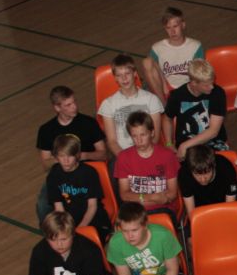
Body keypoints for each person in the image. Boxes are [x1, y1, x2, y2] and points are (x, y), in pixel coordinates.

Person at [35, 85, 106, 222]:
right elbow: (46, 164)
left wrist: (83, 156)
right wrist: (64, 158)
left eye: (74, 102)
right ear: (57, 108)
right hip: (60, 176)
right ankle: (53, 232)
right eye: (68, 105)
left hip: (85, 174)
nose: (74, 107)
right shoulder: (46, 130)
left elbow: (103, 154)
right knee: (42, 205)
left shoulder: (88, 123)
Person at [113, 113, 180, 219]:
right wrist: (152, 197)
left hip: (162, 208)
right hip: (135, 210)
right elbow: (124, 195)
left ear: (152, 133)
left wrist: (142, 199)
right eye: (134, 136)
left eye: (143, 135)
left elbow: (172, 193)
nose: (139, 140)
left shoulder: (167, 155)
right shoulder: (123, 157)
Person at [44, 134, 111, 237]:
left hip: (94, 219)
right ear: (56, 156)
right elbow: (59, 208)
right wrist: (67, 228)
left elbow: (92, 206)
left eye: (70, 156)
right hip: (70, 222)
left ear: (78, 155)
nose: (66, 160)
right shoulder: (54, 175)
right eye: (61, 156)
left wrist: (80, 228)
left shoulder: (89, 173)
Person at [162, 58, 227, 159]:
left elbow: (213, 131)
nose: (212, 87)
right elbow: (167, 119)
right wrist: (169, 143)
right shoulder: (177, 96)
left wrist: (184, 146)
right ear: (193, 83)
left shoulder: (218, 93)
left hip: (213, 142)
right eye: (206, 85)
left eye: (212, 82)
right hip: (187, 144)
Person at [98, 54, 164, 155]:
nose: (124, 78)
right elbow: (112, 142)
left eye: (127, 73)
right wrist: (127, 159)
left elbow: (155, 137)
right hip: (123, 155)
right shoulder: (108, 104)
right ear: (115, 78)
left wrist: (145, 156)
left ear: (135, 74)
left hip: (149, 153)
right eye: (119, 75)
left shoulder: (152, 100)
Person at [142, 6, 204, 95]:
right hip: (165, 89)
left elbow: (199, 76)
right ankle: (161, 102)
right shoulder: (157, 48)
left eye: (175, 26)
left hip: (188, 89)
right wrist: (164, 86)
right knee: (147, 62)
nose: (172, 31)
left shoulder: (196, 46)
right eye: (168, 27)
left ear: (183, 25)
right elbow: (151, 74)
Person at [178, 144, 237, 215]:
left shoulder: (226, 169)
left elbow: (229, 210)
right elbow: (192, 213)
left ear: (214, 166)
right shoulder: (184, 174)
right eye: (197, 174)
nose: (203, 179)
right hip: (200, 212)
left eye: (207, 173)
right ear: (190, 170)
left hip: (224, 209)